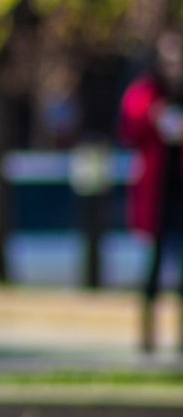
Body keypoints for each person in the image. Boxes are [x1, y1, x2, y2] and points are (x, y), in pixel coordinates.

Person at [120, 29, 183, 353]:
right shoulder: (147, 93)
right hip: (157, 195)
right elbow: (130, 124)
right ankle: (147, 338)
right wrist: (154, 117)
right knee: (154, 269)